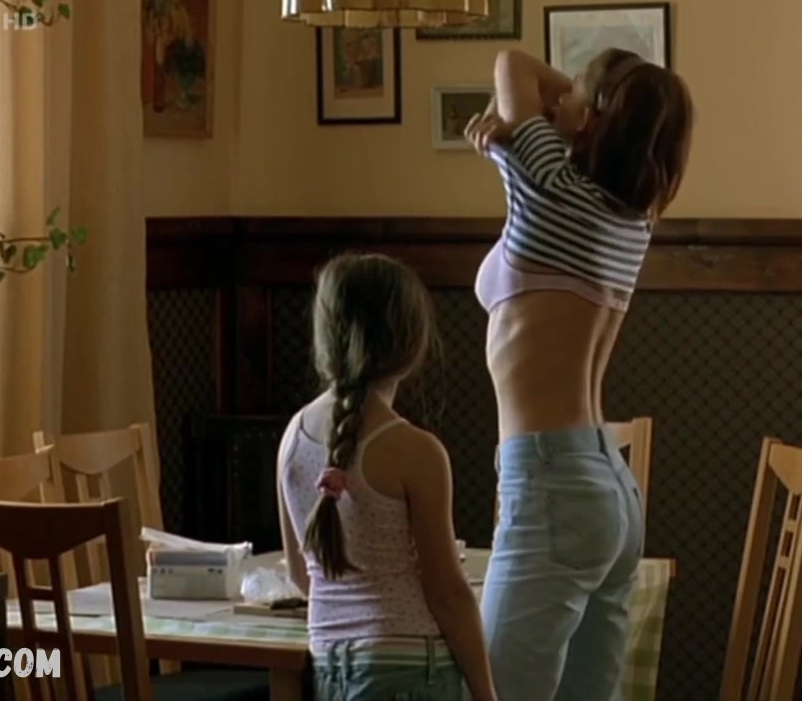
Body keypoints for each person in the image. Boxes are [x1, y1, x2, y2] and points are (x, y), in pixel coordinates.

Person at [461, 47, 696, 701]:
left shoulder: (550, 186)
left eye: (570, 98)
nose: (555, 101)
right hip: (607, 487)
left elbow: (512, 64)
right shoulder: (632, 219)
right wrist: (583, 115)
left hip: (551, 482)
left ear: (592, 117)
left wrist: (568, 118)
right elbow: (535, 93)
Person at [276, 253, 497, 701]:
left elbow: (302, 574)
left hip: (328, 665)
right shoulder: (415, 450)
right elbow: (446, 592)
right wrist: (486, 693)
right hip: (411, 669)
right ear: (410, 344)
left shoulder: (292, 439)